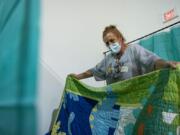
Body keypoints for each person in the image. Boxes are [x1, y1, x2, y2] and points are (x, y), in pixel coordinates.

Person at [70, 25, 180, 84]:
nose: (110, 45)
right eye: (107, 43)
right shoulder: (108, 59)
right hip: (114, 102)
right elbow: (93, 71)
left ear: (120, 38)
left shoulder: (134, 50)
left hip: (133, 100)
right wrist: (77, 77)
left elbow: (153, 61)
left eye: (112, 40)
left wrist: (166, 64)